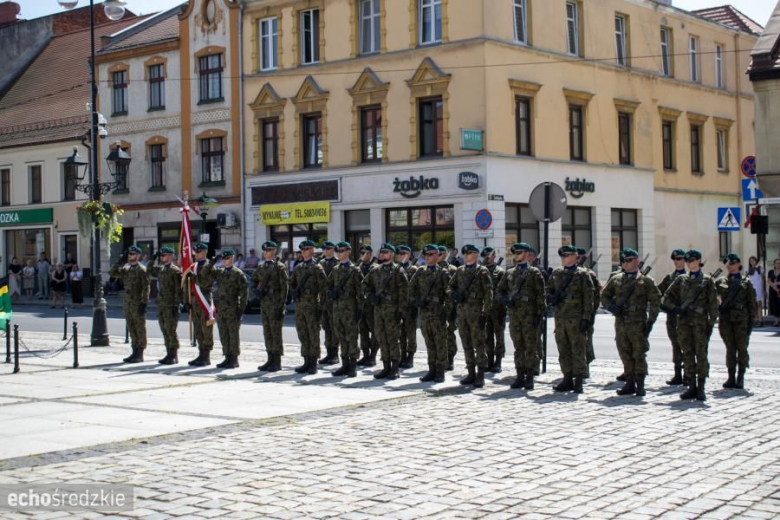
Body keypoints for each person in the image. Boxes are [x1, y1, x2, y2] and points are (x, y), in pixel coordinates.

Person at [601, 249, 661, 397]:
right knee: (624, 352)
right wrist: (611, 307)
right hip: (621, 321)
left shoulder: (646, 280)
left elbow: (655, 301)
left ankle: (640, 384)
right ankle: (629, 383)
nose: (627, 263)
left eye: (630, 260)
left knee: (639, 353)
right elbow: (604, 295)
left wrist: (651, 321)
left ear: (636, 261)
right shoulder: (616, 279)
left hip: (638, 321)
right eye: (624, 261)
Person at [661, 250, 718, 401]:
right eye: (687, 260)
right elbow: (666, 297)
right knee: (687, 354)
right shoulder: (681, 279)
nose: (688, 262)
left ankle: (701, 387)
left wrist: (711, 324)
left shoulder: (707, 281)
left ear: (699, 260)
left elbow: (713, 306)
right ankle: (691, 386)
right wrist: (675, 308)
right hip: (684, 323)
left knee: (701, 355)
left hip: (700, 324)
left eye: (691, 260)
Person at [497, 243, 546, 390]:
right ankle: (519, 375)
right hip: (515, 316)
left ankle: (530, 376)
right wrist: (504, 299)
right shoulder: (509, 273)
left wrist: (540, 315)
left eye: (519, 252)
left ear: (527, 253)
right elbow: (500, 290)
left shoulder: (534, 273)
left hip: (530, 316)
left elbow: (540, 295)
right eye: (515, 253)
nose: (516, 255)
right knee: (518, 347)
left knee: (530, 347)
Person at [188, 250, 247, 369]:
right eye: (224, 259)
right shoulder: (220, 272)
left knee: (233, 334)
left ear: (233, 258)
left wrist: (241, 309)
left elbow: (244, 293)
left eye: (228, 258)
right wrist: (212, 262)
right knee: (223, 334)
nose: (226, 261)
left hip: (232, 308)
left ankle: (234, 358)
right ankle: (227, 357)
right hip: (221, 308)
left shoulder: (238, 273)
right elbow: (205, 273)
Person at [547, 245, 594, 394]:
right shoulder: (556, 273)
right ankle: (567, 378)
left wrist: (586, 318)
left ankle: (578, 380)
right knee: (563, 349)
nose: (564, 258)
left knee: (578, 349)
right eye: (562, 256)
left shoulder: (582, 275)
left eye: (567, 255)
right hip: (561, 318)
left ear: (575, 257)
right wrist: (550, 298)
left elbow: (589, 298)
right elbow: (548, 290)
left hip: (576, 317)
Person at [448, 244, 492, 388]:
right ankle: (471, 372)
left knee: (478, 344)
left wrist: (485, 312)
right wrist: (454, 294)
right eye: (465, 253)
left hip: (476, 313)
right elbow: (450, 286)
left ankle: (480, 374)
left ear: (476, 254)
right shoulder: (460, 271)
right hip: (462, 313)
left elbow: (488, 293)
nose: (466, 256)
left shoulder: (482, 271)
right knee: (466, 344)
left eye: (469, 253)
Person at [363, 243, 408, 380]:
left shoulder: (398, 271)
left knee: (393, 339)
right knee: (381, 338)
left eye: (386, 251)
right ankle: (385, 366)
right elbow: (364, 284)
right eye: (381, 251)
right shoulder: (375, 270)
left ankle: (395, 368)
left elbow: (404, 293)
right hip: (378, 309)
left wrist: (400, 312)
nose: (382, 254)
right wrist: (370, 296)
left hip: (392, 310)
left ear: (392, 254)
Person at [409, 244, 450, 383]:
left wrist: (447, 313)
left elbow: (448, 294)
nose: (427, 257)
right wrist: (416, 301)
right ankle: (431, 369)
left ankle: (440, 371)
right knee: (429, 342)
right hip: (425, 313)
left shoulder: (443, 273)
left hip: (438, 313)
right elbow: (411, 289)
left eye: (431, 254)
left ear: (438, 256)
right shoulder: (420, 271)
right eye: (426, 255)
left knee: (440, 343)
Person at [716, 253, 757, 390]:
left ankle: (741, 377)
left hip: (741, 320)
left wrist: (751, 322)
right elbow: (710, 294)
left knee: (742, 348)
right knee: (730, 349)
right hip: (726, 320)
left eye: (732, 263)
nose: (729, 265)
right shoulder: (721, 282)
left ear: (739, 265)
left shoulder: (746, 283)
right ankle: (731, 377)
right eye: (727, 263)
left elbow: (752, 304)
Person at [327, 241, 364, 377]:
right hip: (337, 308)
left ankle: (353, 365)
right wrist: (330, 293)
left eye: (341, 251)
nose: (339, 254)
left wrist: (359, 309)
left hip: (350, 308)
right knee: (341, 336)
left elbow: (361, 291)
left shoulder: (354, 270)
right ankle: (344, 364)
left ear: (348, 251)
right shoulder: (336, 269)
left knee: (351, 337)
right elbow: (328, 285)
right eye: (337, 251)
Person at [290, 240, 327, 374]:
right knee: (302, 333)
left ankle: (313, 362)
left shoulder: (317, 268)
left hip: (312, 305)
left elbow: (324, 290)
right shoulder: (298, 267)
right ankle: (306, 360)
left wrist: (321, 308)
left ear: (311, 250)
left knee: (313, 334)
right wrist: (294, 290)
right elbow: (291, 282)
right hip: (300, 305)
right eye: (302, 250)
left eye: (306, 249)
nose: (303, 252)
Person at [109, 246, 151, 363]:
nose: (129, 256)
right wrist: (119, 261)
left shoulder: (142, 270)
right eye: (129, 254)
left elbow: (146, 288)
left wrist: (144, 302)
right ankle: (134, 351)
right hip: (128, 303)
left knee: (139, 328)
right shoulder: (127, 269)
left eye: (132, 254)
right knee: (131, 327)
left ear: (138, 256)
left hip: (137, 302)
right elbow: (112, 272)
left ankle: (140, 352)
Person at [253, 241, 289, 372]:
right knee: (267, 333)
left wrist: (281, 306)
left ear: (274, 251)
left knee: (276, 333)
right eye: (265, 250)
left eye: (269, 250)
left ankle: (277, 361)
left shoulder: (279, 267)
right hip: (264, 304)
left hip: (275, 305)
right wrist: (255, 290)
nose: (266, 253)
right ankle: (270, 358)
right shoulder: (261, 267)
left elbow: (285, 287)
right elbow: (254, 280)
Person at [148, 247, 183, 365]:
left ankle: (174, 355)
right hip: (162, 304)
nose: (162, 257)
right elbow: (149, 270)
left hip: (171, 304)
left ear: (171, 256)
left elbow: (179, 290)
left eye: (164, 255)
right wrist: (153, 258)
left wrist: (176, 305)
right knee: (164, 329)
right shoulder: (161, 269)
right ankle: (168, 352)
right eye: (161, 256)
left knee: (171, 330)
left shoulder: (175, 271)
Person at [658, 249, 688, 385]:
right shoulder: (669, 278)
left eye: (680, 259)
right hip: (672, 316)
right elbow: (658, 292)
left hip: (685, 317)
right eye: (675, 259)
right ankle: (677, 374)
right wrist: (663, 305)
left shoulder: (689, 277)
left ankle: (688, 373)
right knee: (675, 345)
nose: (677, 262)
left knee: (687, 346)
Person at [186, 243, 216, 367]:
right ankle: (200, 353)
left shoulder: (210, 267)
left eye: (198, 252)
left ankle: (206, 356)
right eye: (195, 252)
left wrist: (193, 277)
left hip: (204, 301)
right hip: (194, 302)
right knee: (198, 329)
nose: (196, 254)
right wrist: (187, 301)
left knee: (206, 329)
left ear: (205, 252)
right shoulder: (194, 266)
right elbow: (188, 286)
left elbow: (204, 283)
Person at [481, 247, 506, 373]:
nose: (486, 258)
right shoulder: (481, 271)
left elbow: (504, 290)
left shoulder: (500, 272)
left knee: (499, 336)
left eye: (488, 256)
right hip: (485, 309)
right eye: (484, 256)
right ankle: (489, 361)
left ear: (494, 256)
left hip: (497, 309)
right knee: (487, 337)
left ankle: (498, 362)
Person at [577, 248, 601, 379]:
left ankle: (585, 367)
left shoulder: (589, 274)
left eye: (580, 256)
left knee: (585, 342)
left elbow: (595, 296)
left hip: (585, 314)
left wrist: (590, 314)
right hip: (569, 314)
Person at [318, 241, 340, 366]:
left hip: (334, 301)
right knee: (326, 327)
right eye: (324, 248)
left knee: (334, 327)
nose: (325, 250)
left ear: (333, 249)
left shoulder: (337, 263)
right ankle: (328, 352)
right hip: (323, 300)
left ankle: (335, 354)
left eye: (328, 248)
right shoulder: (320, 263)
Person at [397, 245, 419, 369]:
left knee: (410, 333)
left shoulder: (414, 270)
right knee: (401, 333)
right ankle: (402, 355)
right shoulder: (395, 269)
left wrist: (415, 304)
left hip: (410, 306)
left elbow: (419, 289)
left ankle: (410, 356)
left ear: (409, 255)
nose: (401, 256)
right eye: (399, 254)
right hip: (398, 306)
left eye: (404, 253)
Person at [357, 245, 379, 367]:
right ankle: (365, 355)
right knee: (363, 331)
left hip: (372, 305)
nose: (363, 255)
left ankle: (373, 356)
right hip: (361, 305)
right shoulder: (358, 267)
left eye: (365, 253)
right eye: (361, 253)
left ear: (370, 254)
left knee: (375, 331)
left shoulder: (375, 268)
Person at [438, 245, 459, 370]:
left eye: (442, 253)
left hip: (449, 307)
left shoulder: (452, 269)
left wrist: (453, 309)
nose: (440, 255)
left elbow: (455, 289)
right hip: (434, 307)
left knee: (449, 334)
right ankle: (439, 359)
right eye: (438, 253)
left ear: (446, 254)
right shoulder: (431, 268)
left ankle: (450, 359)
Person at [747, 256, 764, 327]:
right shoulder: (748, 269)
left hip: (758, 287)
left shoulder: (759, 268)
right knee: (753, 304)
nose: (752, 262)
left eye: (753, 261)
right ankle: (755, 319)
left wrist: (763, 288)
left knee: (759, 303)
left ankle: (760, 320)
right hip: (751, 287)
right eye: (751, 261)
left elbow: (763, 277)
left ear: (756, 261)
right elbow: (746, 278)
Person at [768, 259, 780, 327]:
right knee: (774, 304)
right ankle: (776, 320)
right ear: (774, 264)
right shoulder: (771, 271)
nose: (778, 264)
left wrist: (777, 283)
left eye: (779, 263)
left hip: (779, 290)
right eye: (777, 263)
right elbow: (769, 280)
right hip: (773, 290)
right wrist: (774, 287)